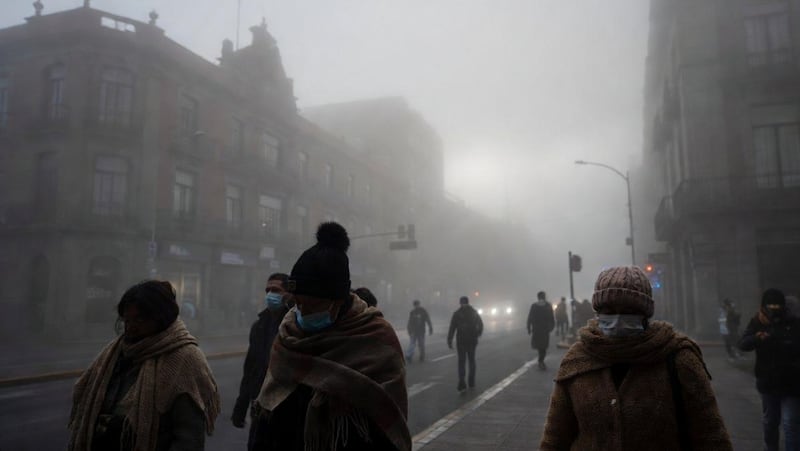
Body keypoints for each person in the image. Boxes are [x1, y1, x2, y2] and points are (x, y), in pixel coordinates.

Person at [254, 222, 410, 451]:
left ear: (337, 301)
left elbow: (387, 423)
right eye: (298, 303)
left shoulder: (376, 338)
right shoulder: (288, 334)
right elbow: (267, 412)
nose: (301, 311)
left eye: (311, 305)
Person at [540, 266, 733, 451]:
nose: (618, 318)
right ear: (598, 312)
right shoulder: (577, 360)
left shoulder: (678, 358)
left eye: (628, 311)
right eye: (609, 310)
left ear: (645, 314)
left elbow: (711, 436)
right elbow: (555, 438)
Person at [68, 280, 220, 451]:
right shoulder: (115, 352)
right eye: (127, 320)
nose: (130, 328)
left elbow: (188, 437)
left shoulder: (184, 358)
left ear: (161, 319)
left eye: (139, 320)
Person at [232, 273, 290, 451]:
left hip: (285, 408)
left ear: (288, 294)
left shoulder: (293, 325)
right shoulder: (259, 326)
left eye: (276, 290)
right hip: (259, 404)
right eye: (268, 290)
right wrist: (241, 403)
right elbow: (251, 367)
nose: (270, 295)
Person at [739, 288, 800, 451]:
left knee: (790, 423)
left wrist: (785, 343)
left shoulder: (794, 322)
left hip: (792, 382)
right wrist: (757, 338)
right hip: (768, 381)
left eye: (777, 306)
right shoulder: (758, 321)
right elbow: (743, 344)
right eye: (770, 306)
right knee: (771, 421)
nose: (774, 310)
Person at [447, 296, 484, 392]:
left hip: (462, 340)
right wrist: (478, 334)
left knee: (462, 362)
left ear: (461, 303)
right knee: (471, 361)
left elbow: (452, 327)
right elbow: (480, 324)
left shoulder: (457, 314)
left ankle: (462, 382)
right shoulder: (473, 312)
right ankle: (470, 381)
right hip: (471, 340)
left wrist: (450, 339)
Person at [527, 291, 555, 370]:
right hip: (544, 329)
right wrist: (551, 327)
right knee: (544, 346)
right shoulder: (548, 305)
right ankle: (541, 361)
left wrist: (529, 328)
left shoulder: (534, 306)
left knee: (540, 345)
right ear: (544, 297)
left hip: (537, 329)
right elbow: (552, 317)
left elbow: (530, 318)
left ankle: (541, 360)